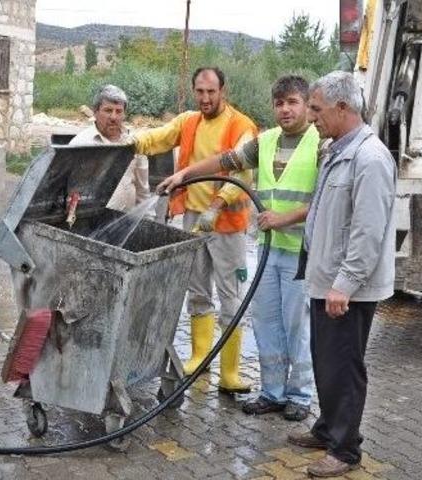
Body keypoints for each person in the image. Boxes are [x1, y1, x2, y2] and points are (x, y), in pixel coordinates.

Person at [158, 76, 320, 420]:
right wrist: (185, 173)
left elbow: (326, 197)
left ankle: (300, 395)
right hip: (268, 248)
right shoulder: (267, 141)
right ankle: (273, 391)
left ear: (307, 104)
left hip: (301, 252)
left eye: (292, 102)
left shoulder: (321, 143)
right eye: (279, 103)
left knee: (296, 326)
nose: (285, 109)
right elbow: (224, 162)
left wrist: (285, 218)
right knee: (266, 322)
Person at [286, 71, 397, 477]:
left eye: (317, 108)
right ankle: (327, 427)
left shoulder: (370, 158)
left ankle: (346, 449)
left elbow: (368, 232)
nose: (311, 116)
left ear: (343, 107)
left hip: (345, 289)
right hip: (326, 280)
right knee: (325, 362)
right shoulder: (337, 149)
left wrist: (344, 285)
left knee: (344, 367)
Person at [134, 67, 257, 394]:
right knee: (198, 290)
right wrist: (127, 142)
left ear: (223, 91)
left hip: (227, 224)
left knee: (230, 294)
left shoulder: (241, 126)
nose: (205, 98)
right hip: (192, 219)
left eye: (211, 92)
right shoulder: (188, 121)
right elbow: (158, 137)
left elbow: (244, 172)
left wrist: (218, 203)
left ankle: (230, 372)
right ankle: (200, 358)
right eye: (199, 92)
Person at [70, 84, 152, 217]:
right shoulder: (80, 144)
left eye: (119, 111)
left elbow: (143, 191)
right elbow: (71, 193)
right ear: (95, 112)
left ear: (124, 114)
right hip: (89, 225)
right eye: (108, 110)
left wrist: (148, 221)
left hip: (125, 223)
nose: (113, 117)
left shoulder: (135, 144)